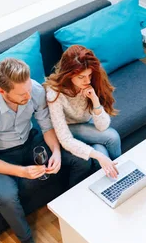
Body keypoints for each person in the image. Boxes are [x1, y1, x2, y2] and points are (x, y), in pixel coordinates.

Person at [0, 58, 92, 243]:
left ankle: (72, 210)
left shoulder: (33, 89)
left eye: (28, 89)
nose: (28, 95)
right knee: (7, 197)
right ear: (2, 91)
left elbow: (46, 127)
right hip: (0, 156)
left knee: (82, 160)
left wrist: (56, 152)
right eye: (21, 94)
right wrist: (23, 172)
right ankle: (26, 240)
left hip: (30, 140)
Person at [44, 45, 121, 179]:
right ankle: (119, 178)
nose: (87, 80)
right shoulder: (54, 93)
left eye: (89, 75)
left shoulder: (92, 80)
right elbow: (65, 139)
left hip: (86, 123)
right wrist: (99, 156)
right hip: (66, 129)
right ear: (69, 75)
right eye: (81, 77)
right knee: (111, 137)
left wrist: (95, 100)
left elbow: (102, 126)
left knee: (102, 150)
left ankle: (117, 178)